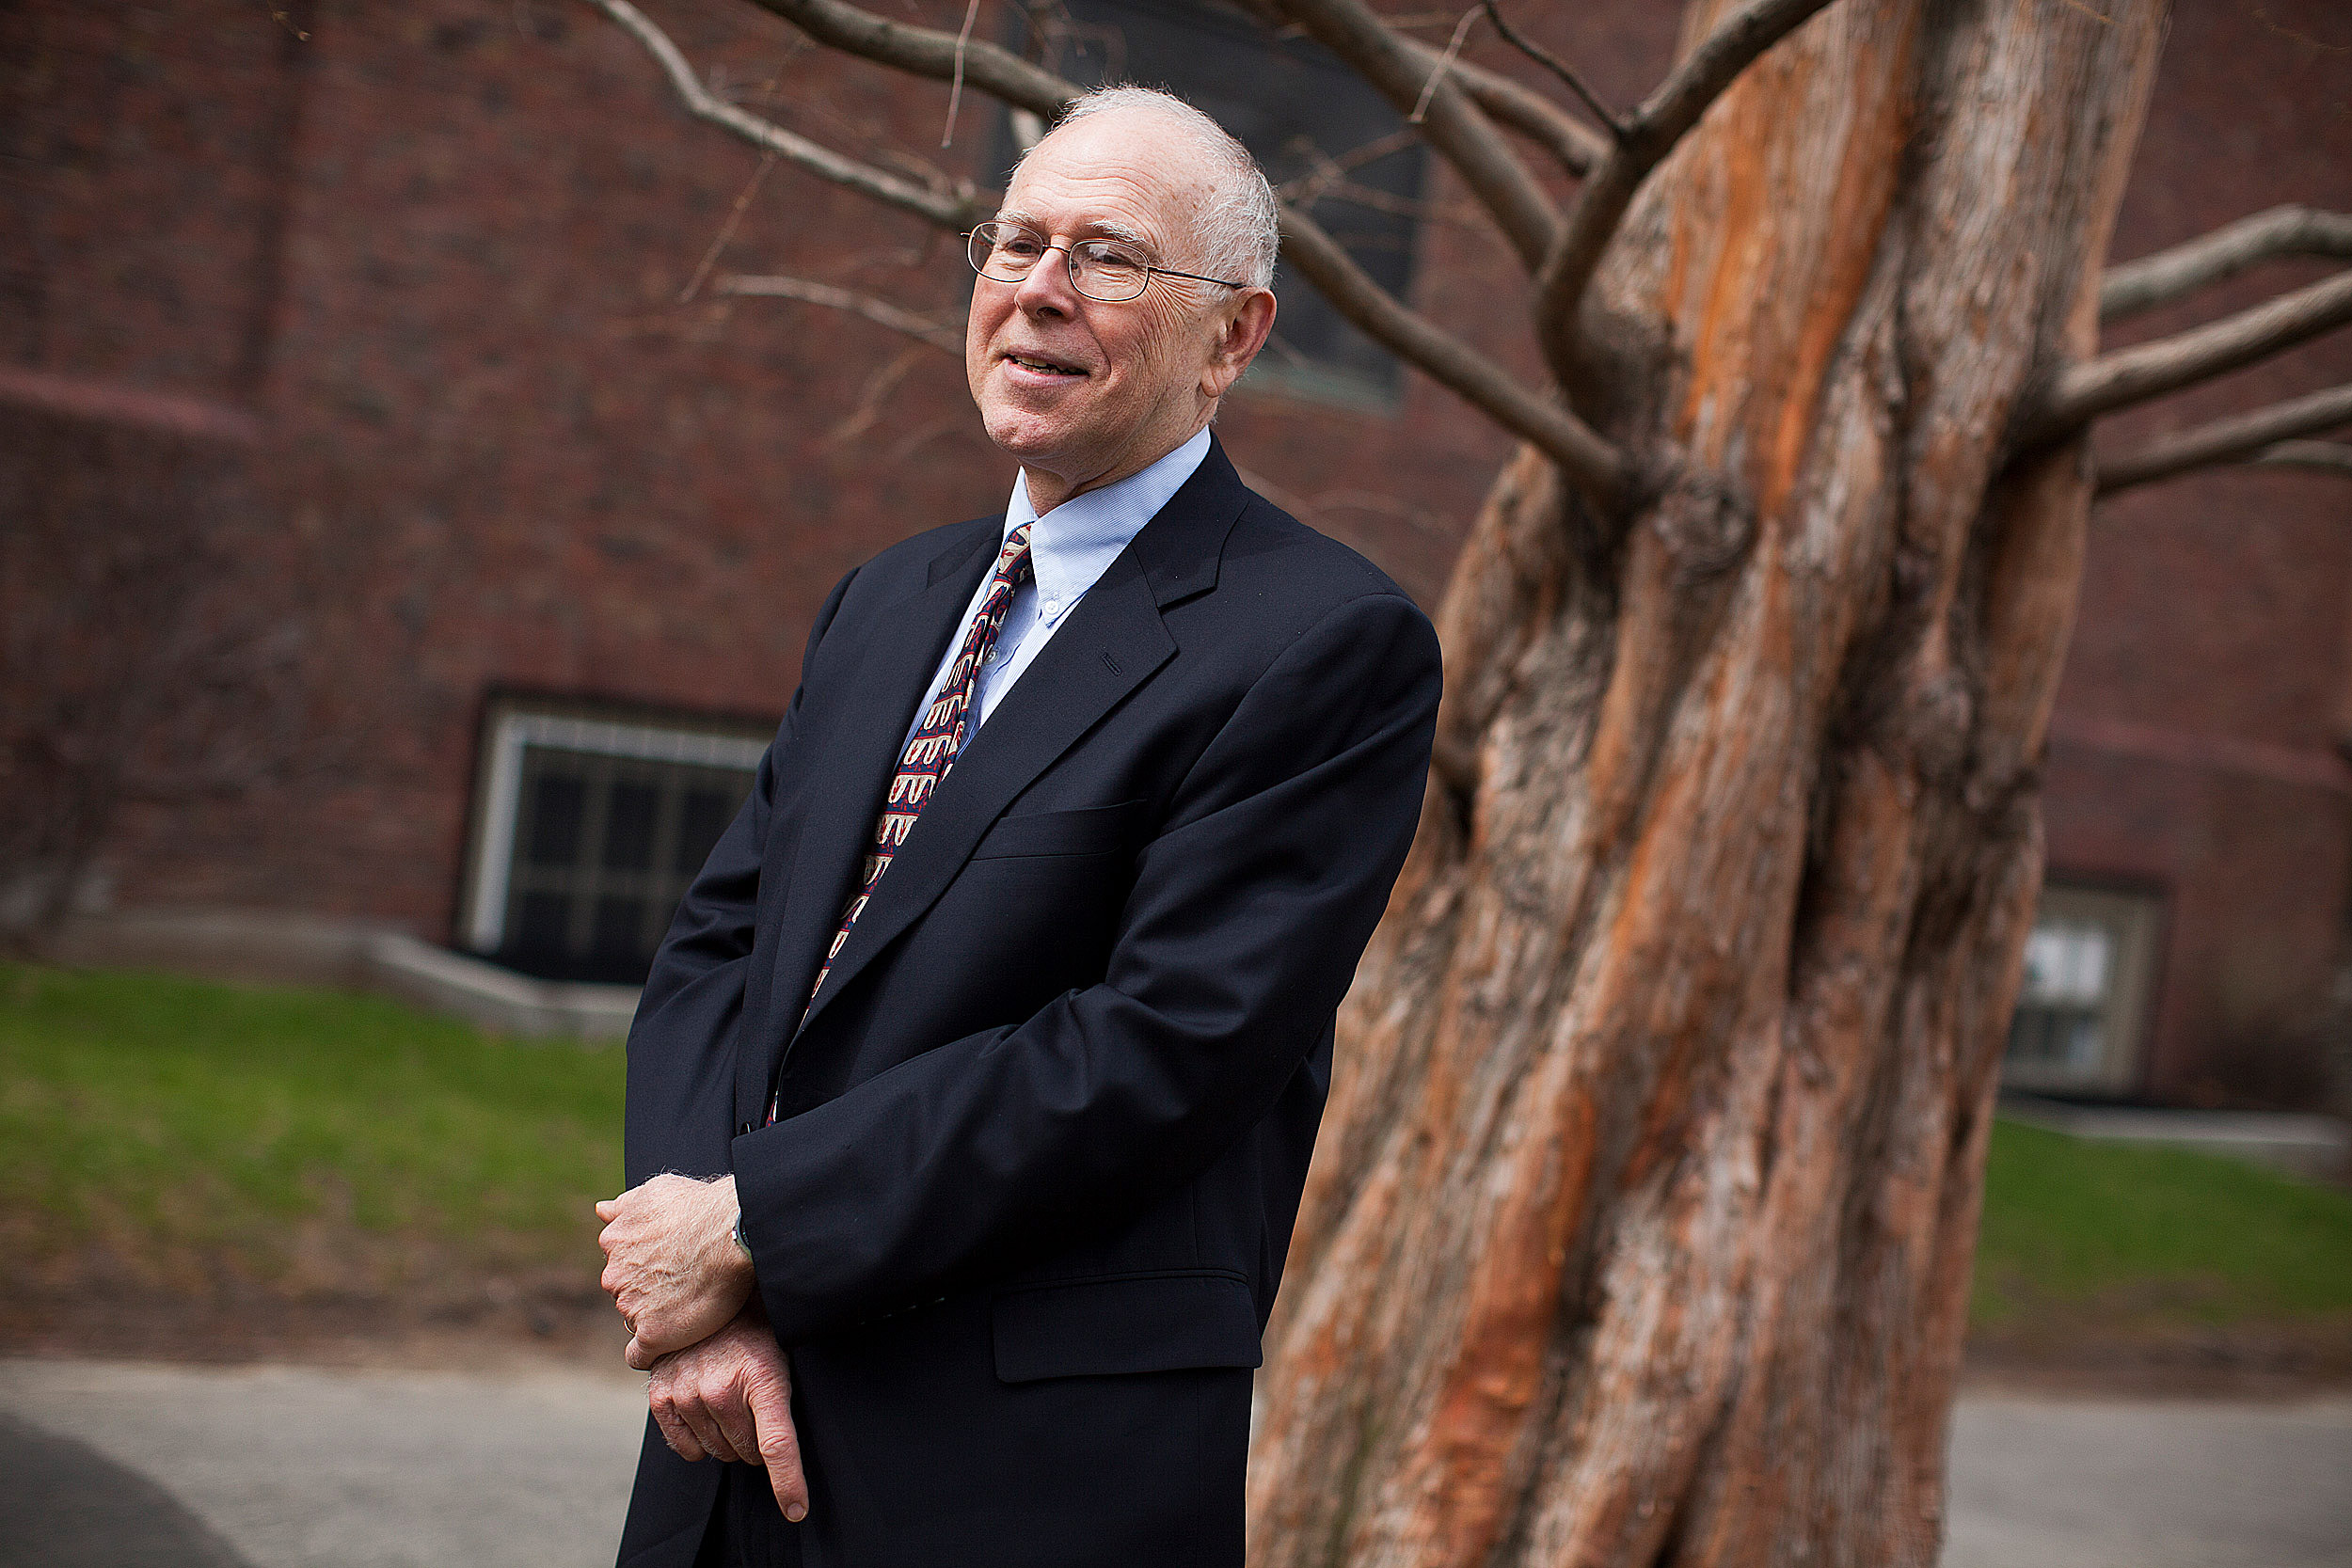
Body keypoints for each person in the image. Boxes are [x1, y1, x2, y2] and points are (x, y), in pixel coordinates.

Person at [594, 85, 1441, 1568]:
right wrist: (693, 1295)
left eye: (1108, 256)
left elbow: (1154, 1051)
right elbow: (721, 951)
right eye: (1015, 241)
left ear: (1234, 335)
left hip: (1020, 1469)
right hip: (727, 1424)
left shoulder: (1326, 645)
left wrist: (756, 1229)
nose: (1038, 291)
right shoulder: (890, 600)